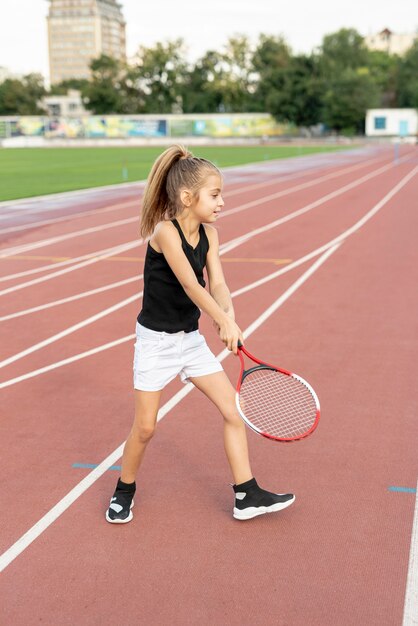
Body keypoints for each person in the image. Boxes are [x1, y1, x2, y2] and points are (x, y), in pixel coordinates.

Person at [105, 145, 295, 524]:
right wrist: (222, 323)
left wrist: (229, 313)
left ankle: (246, 494)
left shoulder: (210, 234)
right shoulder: (164, 232)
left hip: (190, 341)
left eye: (221, 193)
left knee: (232, 411)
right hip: (156, 343)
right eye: (215, 194)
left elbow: (217, 284)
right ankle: (123, 491)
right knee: (145, 428)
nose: (222, 201)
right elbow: (192, 286)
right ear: (187, 197)